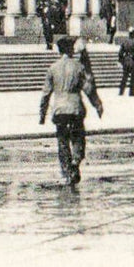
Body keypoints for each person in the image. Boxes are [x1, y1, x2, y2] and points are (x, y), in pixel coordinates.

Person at [38, 36, 104, 186]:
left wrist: (42, 115)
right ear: (70, 50)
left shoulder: (52, 68)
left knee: (62, 141)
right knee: (78, 138)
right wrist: (97, 105)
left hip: (59, 110)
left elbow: (45, 94)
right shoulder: (78, 67)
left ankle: (67, 170)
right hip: (75, 108)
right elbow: (88, 89)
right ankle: (75, 161)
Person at [117, 28, 134, 96]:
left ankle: (121, 92)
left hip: (126, 61)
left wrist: (121, 61)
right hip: (133, 61)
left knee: (124, 77)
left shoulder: (124, 42)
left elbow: (120, 53)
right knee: (133, 78)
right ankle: (131, 92)